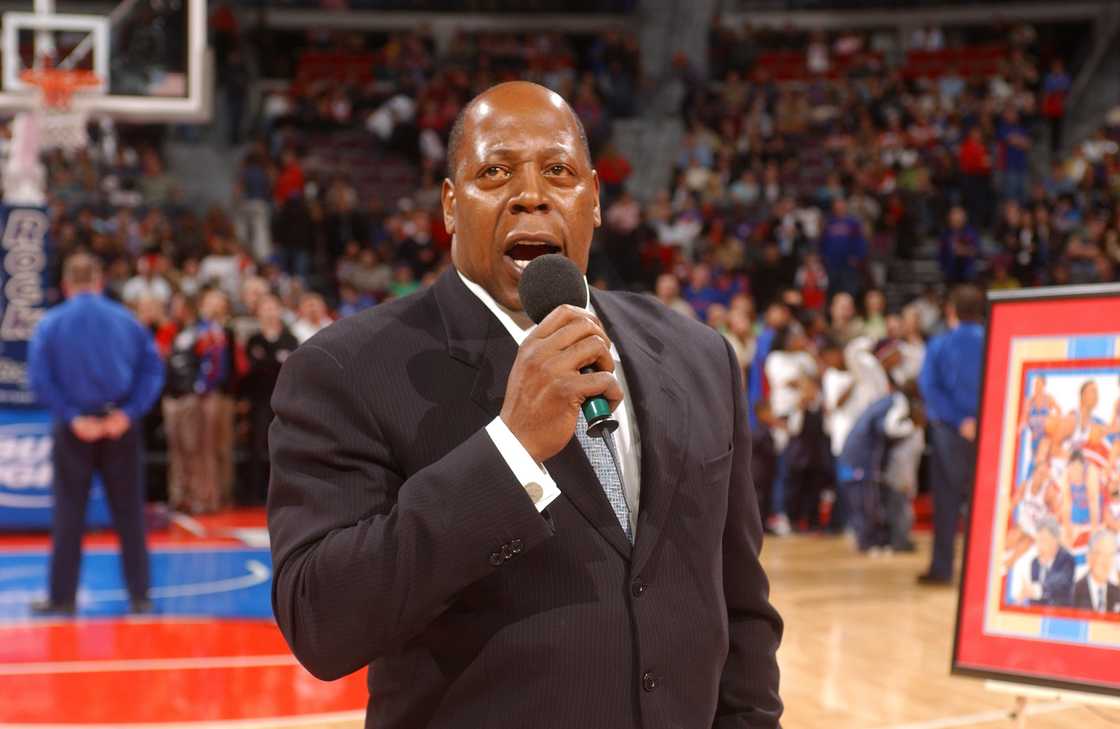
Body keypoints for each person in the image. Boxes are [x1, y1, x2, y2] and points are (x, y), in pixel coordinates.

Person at [267, 81, 783, 728]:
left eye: (559, 172)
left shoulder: (698, 355)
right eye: (496, 172)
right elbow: (321, 619)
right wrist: (509, 452)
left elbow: (742, 607)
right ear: (452, 206)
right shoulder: (347, 370)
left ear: (593, 199)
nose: (532, 193)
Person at [27, 253, 165, 615]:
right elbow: (153, 370)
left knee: (69, 513)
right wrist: (128, 413)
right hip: (120, 426)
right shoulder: (128, 321)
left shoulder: (50, 323)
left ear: (65, 285)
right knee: (129, 514)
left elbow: (39, 379)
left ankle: (62, 599)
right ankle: (140, 596)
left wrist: (72, 416)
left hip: (76, 429)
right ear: (100, 282)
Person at [918, 285, 985, 585]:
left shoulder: (940, 344)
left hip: (950, 431)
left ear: (950, 310)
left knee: (946, 501)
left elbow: (929, 387)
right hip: (988, 430)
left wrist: (960, 421)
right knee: (984, 502)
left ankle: (943, 568)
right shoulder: (993, 338)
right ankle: (983, 573)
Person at [241, 295, 298, 505]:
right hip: (259, 399)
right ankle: (254, 494)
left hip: (284, 400)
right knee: (256, 446)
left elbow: (290, 369)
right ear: (258, 313)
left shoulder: (289, 338)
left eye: (273, 307)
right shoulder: (253, 340)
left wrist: (265, 361)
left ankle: (285, 493)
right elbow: (252, 371)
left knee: (283, 445)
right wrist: (273, 362)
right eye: (265, 308)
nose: (270, 312)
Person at [1013, 516, 1074, 607]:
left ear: (1055, 541)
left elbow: (1058, 583)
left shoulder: (1067, 560)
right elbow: (1035, 601)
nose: (1039, 545)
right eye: (1037, 540)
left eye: (1043, 540)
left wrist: (1034, 590)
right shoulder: (1035, 563)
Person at [1071, 530, 1120, 613]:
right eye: (1101, 554)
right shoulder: (1072, 593)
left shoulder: (1118, 594)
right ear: (1089, 556)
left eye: (1110, 555)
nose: (1105, 561)